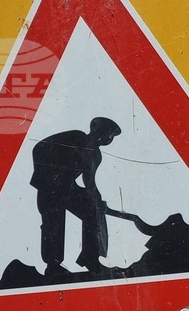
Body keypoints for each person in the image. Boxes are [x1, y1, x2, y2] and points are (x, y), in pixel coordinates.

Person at [29, 117, 122, 275]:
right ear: (99, 132)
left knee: (92, 210)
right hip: (49, 186)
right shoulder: (77, 137)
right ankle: (53, 265)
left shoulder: (96, 156)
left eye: (111, 136)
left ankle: (90, 258)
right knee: (53, 223)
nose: (109, 139)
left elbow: (89, 183)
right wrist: (46, 175)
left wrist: (98, 201)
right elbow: (39, 148)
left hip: (67, 189)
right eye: (108, 134)